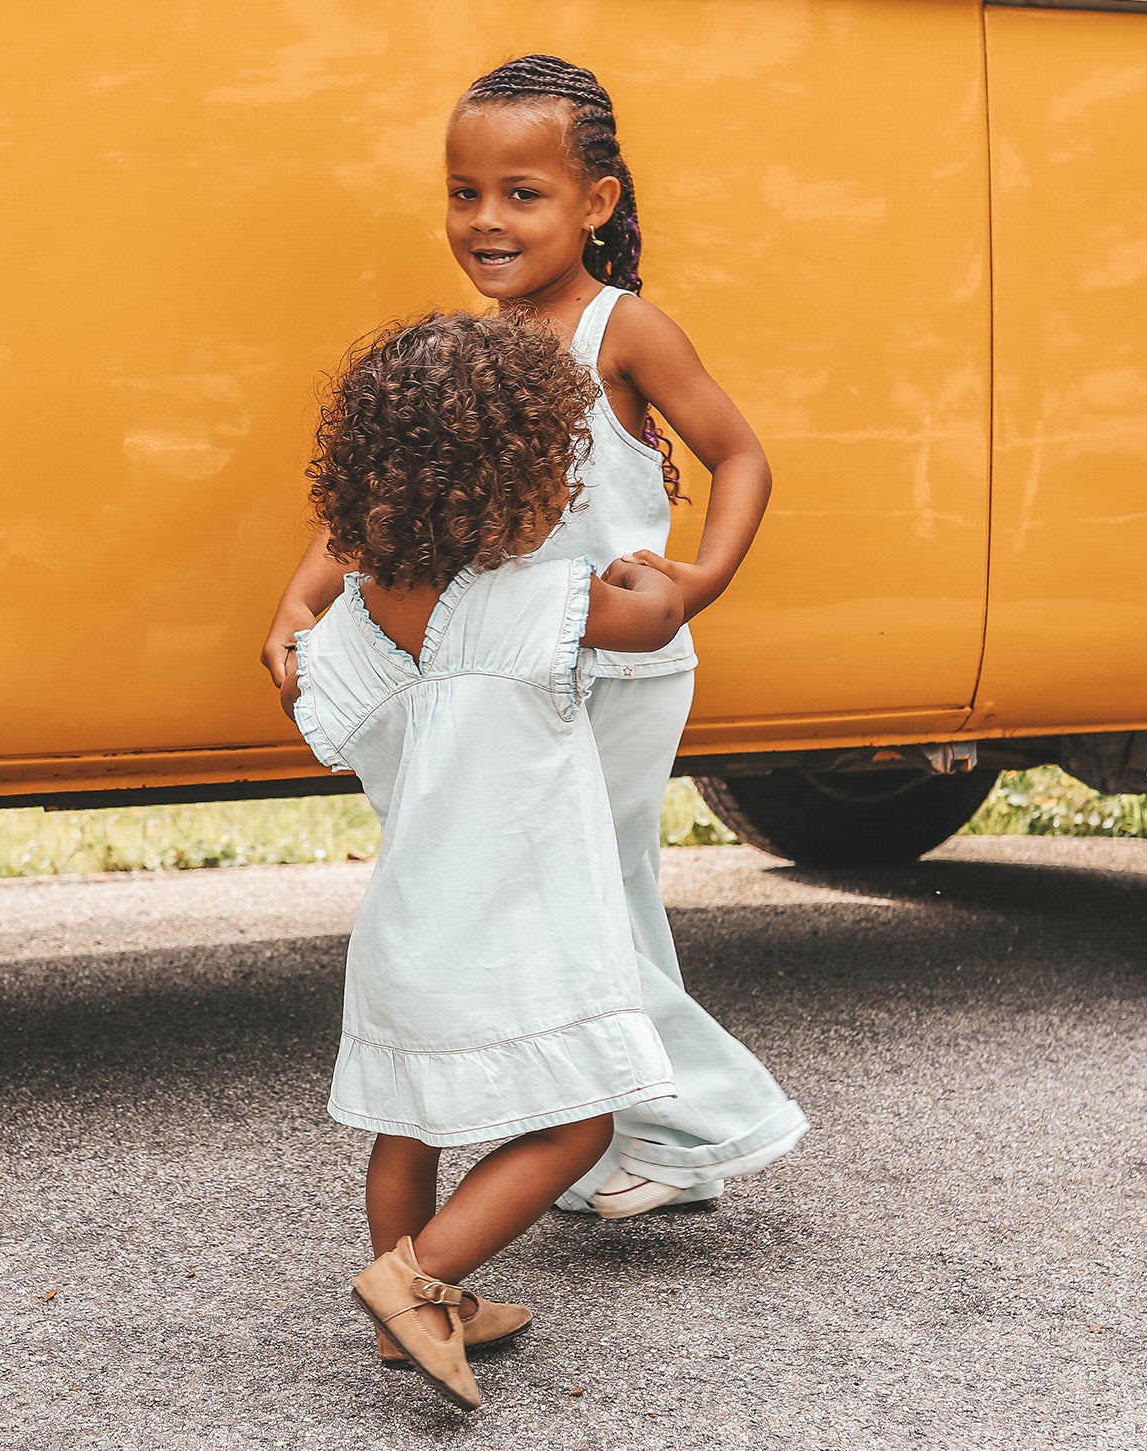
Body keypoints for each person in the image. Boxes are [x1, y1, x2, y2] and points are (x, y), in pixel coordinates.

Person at [265, 54, 806, 1221]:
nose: (486, 220)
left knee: (575, 903)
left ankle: (702, 1116)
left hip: (616, 667)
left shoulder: (622, 330)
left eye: (522, 193)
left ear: (595, 202)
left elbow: (740, 456)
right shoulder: (478, 350)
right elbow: (380, 497)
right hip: (511, 670)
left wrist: (701, 579)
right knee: (592, 900)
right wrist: (298, 600)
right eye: (464, 193)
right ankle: (637, 1133)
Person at [278, 311, 686, 1411]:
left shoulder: (352, 624)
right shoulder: (536, 600)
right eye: (555, 468)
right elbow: (654, 619)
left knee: (405, 1121)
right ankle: (413, 1283)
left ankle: (416, 1319)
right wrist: (643, 568)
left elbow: (307, 688)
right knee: (578, 1121)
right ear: (506, 482)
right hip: (514, 925)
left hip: (408, 929)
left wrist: (297, 629)